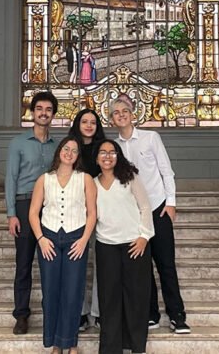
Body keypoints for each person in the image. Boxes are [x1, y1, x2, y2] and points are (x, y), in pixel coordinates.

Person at [109, 95, 191, 334]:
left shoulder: (151, 138)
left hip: (158, 208)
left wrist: (171, 203)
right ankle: (151, 314)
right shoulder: (113, 148)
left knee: (166, 264)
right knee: (142, 268)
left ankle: (177, 316)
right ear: (112, 119)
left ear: (133, 114)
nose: (121, 114)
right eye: (116, 112)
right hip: (133, 215)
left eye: (125, 110)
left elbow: (167, 171)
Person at [29, 136, 97, 354]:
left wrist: (84, 239)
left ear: (78, 156)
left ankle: (71, 343)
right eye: (66, 148)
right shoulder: (44, 180)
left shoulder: (85, 179)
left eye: (74, 150)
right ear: (59, 151)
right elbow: (32, 213)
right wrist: (41, 238)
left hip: (76, 238)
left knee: (73, 292)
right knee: (51, 292)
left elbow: (92, 213)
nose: (69, 152)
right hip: (49, 237)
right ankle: (55, 344)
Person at [93, 139, 154, 354]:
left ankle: (137, 346)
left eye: (112, 152)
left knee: (136, 297)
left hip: (133, 244)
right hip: (106, 245)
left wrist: (144, 237)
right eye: (103, 152)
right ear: (96, 157)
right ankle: (111, 348)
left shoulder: (129, 178)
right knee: (109, 299)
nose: (107, 156)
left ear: (118, 156)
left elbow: (145, 207)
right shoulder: (92, 183)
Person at [5, 91, 59, 335]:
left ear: (53, 115)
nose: (43, 113)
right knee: (24, 263)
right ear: (33, 112)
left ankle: (53, 312)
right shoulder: (18, 143)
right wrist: (11, 214)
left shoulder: (57, 146)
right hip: (25, 205)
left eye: (48, 109)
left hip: (51, 207)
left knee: (51, 263)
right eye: (39, 109)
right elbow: (10, 179)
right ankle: (21, 315)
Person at [68, 109, 107, 331]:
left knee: (102, 263)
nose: (89, 125)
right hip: (77, 213)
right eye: (85, 121)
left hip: (101, 212)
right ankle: (81, 312)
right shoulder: (70, 149)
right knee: (79, 263)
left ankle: (99, 312)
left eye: (93, 122)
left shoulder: (104, 148)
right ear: (78, 124)